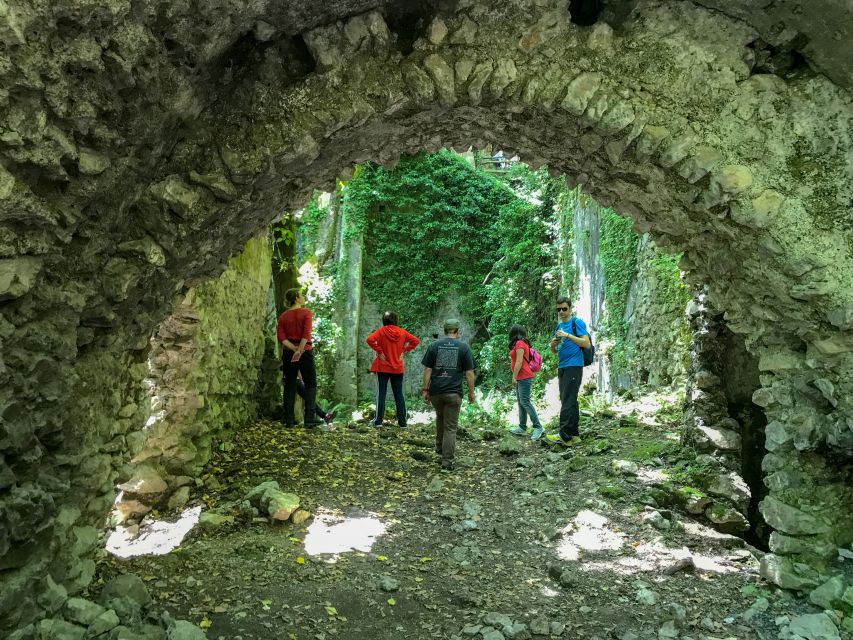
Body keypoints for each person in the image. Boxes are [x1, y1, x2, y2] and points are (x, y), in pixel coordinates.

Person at [421, 319, 476, 471]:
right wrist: (472, 392)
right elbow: (469, 372)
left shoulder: (434, 346)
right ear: (457, 331)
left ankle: (439, 448)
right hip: (453, 393)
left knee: (440, 417)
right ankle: (447, 462)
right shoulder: (463, 347)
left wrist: (425, 389)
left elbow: (427, 370)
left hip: (436, 392)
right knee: (450, 427)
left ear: (444, 331)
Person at [547, 296, 590, 445]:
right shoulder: (558, 327)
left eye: (564, 309)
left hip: (574, 365)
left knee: (568, 400)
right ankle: (574, 434)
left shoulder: (576, 323)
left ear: (570, 309)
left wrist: (568, 336)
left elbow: (586, 343)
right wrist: (552, 345)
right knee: (569, 399)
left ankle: (564, 436)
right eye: (558, 309)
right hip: (562, 365)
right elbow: (555, 351)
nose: (561, 312)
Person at [366, 311, 420, 428]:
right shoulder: (402, 332)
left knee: (381, 394)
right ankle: (402, 423)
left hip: (383, 367)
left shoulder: (381, 331)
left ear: (384, 320)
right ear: (396, 320)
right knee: (399, 394)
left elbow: (369, 340)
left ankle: (378, 422)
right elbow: (416, 341)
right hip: (397, 368)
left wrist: (379, 351)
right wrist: (404, 351)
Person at [276, 288, 322, 428]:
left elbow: (281, 337)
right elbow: (306, 333)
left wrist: (293, 348)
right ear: (296, 298)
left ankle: (289, 420)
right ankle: (309, 418)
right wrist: (300, 349)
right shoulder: (306, 313)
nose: (303, 297)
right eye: (301, 295)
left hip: (289, 352)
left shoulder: (283, 316)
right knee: (310, 383)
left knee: (289, 384)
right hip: (305, 351)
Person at [507, 324, 544, 440]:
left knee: (525, 402)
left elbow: (518, 362)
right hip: (521, 377)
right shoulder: (520, 343)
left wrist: (514, 376)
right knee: (521, 402)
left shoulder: (520, 344)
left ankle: (538, 427)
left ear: (513, 333)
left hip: (524, 376)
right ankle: (522, 427)